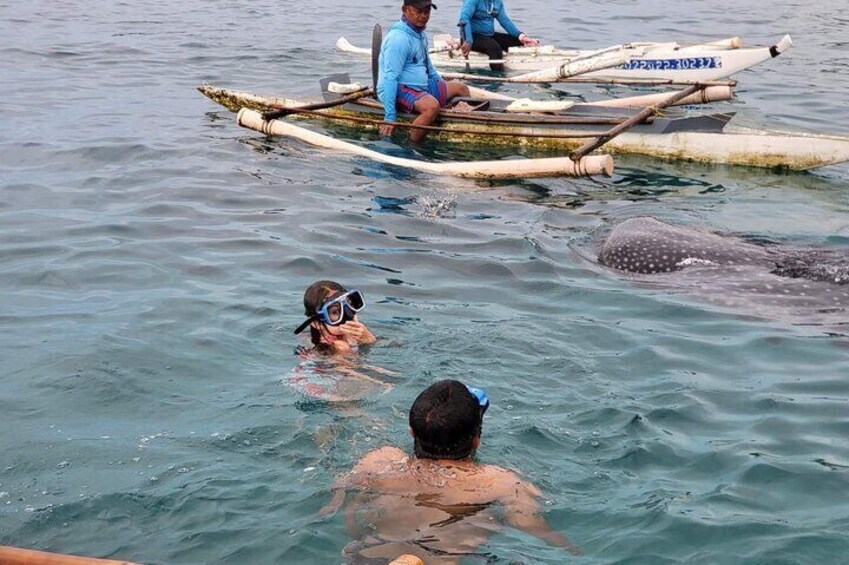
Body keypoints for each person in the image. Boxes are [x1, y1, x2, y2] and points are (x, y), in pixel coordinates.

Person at [321, 380, 580, 563]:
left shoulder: (378, 461)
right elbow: (540, 532)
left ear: (412, 431)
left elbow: (341, 509)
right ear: (476, 440)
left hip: (366, 556)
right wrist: (575, 551)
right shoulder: (500, 482)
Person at [377, 0, 471, 142]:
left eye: (427, 12)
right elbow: (390, 78)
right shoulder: (399, 39)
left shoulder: (420, 34)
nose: (423, 16)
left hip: (422, 87)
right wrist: (390, 116)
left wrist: (442, 85)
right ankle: (412, 146)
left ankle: (465, 126)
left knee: (461, 88)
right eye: (418, 12)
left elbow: (429, 69)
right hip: (398, 88)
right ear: (405, 10)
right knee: (432, 107)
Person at [294, 280, 377, 355]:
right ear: (315, 323)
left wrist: (368, 339)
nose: (348, 315)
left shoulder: (351, 336)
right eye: (335, 312)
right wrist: (369, 342)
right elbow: (353, 371)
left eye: (349, 305)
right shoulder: (339, 347)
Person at [458, 0, 540, 71]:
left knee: (517, 41)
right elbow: (464, 19)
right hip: (471, 36)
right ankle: (497, 77)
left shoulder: (497, 2)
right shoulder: (472, 1)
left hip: (489, 35)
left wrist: (521, 36)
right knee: (495, 48)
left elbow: (505, 21)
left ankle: (531, 64)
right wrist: (468, 41)